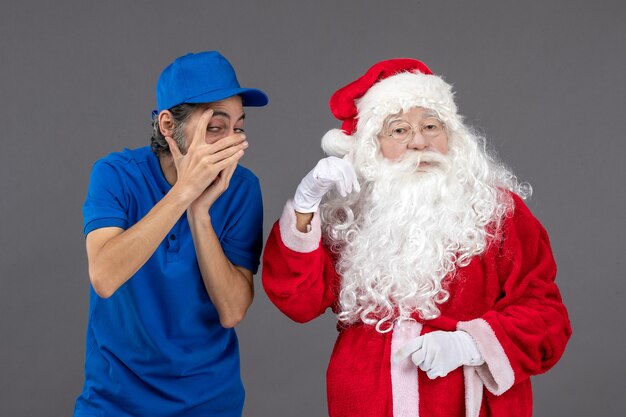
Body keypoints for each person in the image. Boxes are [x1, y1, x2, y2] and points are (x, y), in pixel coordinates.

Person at [262, 59, 571, 417]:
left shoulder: (499, 211)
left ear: (451, 135)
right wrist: (305, 204)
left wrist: (470, 345)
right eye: (398, 130)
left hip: (469, 403)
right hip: (366, 403)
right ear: (372, 146)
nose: (419, 142)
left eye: (430, 126)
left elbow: (547, 315)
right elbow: (297, 300)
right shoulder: (350, 216)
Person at [73, 51, 268, 417]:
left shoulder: (242, 189)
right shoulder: (115, 174)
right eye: (215, 126)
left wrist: (200, 213)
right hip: (115, 400)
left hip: (209, 401)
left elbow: (232, 311)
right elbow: (104, 276)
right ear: (167, 125)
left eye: (238, 127)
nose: (231, 142)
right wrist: (183, 194)